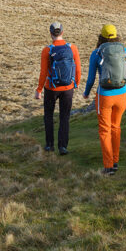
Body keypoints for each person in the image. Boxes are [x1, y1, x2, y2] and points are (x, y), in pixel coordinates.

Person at [83, 24, 126, 175]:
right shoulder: (125, 52)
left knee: (105, 130)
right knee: (116, 128)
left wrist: (86, 93)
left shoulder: (97, 53)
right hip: (122, 94)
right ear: (116, 36)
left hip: (104, 96)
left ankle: (108, 166)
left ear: (101, 37)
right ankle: (116, 162)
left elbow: (91, 78)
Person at [35, 21, 81, 154]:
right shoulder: (72, 48)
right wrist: (76, 83)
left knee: (48, 116)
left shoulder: (47, 50)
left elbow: (43, 72)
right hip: (68, 88)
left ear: (51, 34)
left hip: (51, 88)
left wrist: (39, 90)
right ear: (62, 32)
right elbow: (77, 68)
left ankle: (49, 145)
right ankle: (63, 147)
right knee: (64, 117)